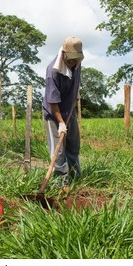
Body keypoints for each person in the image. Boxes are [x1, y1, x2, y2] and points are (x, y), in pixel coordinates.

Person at [42, 36, 84, 189]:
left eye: (76, 59)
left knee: (73, 146)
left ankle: (75, 178)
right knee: (58, 151)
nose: (74, 62)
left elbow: (76, 81)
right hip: (54, 113)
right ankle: (61, 182)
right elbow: (52, 102)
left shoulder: (77, 64)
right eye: (71, 59)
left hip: (69, 109)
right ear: (64, 54)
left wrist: (76, 94)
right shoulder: (53, 71)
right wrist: (60, 122)